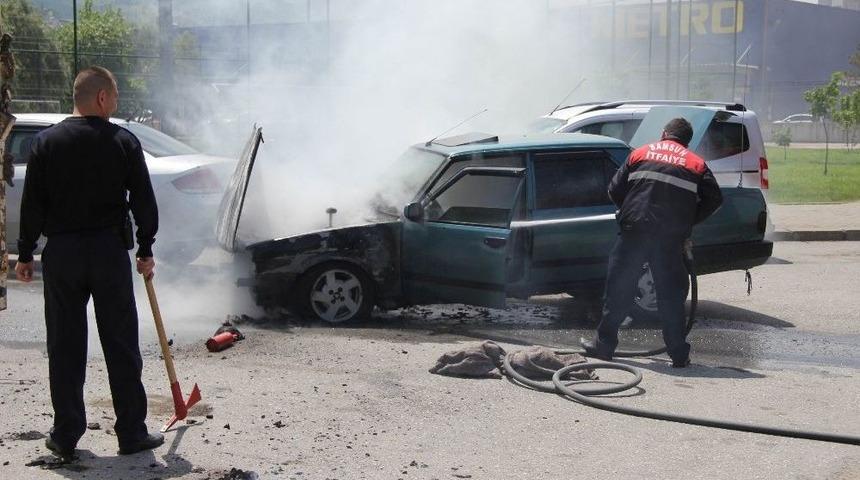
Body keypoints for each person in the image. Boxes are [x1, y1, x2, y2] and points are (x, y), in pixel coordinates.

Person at [15, 66, 164, 456]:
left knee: (65, 345)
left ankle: (65, 435)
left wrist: (26, 252)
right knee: (120, 343)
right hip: (108, 252)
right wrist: (146, 249)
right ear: (102, 98)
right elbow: (144, 202)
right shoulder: (123, 142)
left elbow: (33, 204)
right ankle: (131, 433)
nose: (115, 104)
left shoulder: (46, 143)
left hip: (62, 254)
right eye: (114, 97)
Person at [582, 117, 723, 368]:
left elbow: (614, 190)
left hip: (633, 231)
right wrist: (687, 221)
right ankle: (678, 355)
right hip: (669, 237)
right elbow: (714, 199)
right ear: (686, 141)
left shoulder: (641, 153)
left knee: (619, 290)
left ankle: (603, 348)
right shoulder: (695, 163)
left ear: (664, 133)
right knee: (670, 297)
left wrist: (629, 210)